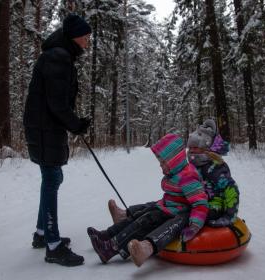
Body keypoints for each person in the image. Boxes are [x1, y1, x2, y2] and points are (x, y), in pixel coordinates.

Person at [108, 119, 240, 266]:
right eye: (190, 150)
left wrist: (229, 215)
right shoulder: (194, 166)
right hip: (191, 202)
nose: (192, 153)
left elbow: (231, 190)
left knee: (181, 217)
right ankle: (124, 215)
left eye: (196, 150)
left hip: (211, 206)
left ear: (207, 151)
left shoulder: (216, 169)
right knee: (158, 204)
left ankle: (148, 245)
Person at [23, 14, 92, 267]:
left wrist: (73, 123)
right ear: (74, 36)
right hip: (44, 128)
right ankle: (53, 246)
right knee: (52, 179)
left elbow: (57, 101)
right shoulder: (58, 58)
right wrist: (76, 124)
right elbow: (56, 103)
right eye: (85, 36)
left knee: (53, 177)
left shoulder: (60, 55)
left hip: (45, 127)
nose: (87, 41)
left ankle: (42, 234)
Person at [87, 134, 209, 266]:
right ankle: (107, 235)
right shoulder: (175, 173)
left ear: (174, 160)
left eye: (163, 162)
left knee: (143, 223)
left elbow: (200, 203)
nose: (160, 165)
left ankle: (110, 248)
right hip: (167, 207)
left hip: (174, 215)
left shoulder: (188, 176)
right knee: (139, 215)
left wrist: (195, 225)